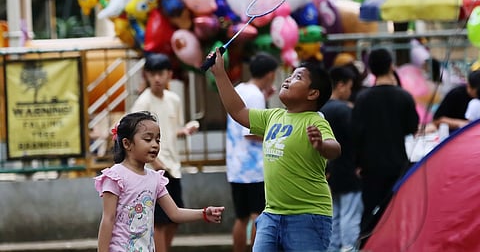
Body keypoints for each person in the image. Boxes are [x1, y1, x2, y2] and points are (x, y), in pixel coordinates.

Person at [209, 47, 341, 251]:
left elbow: (335, 149)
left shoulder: (315, 120)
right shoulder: (272, 116)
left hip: (308, 216)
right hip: (271, 215)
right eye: (290, 75)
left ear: (313, 93)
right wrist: (220, 74)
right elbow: (237, 111)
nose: (288, 79)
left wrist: (321, 145)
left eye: (298, 77)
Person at [95, 111, 224, 252]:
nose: (155, 145)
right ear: (127, 143)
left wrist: (204, 213)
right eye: (148, 139)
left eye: (158, 140)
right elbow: (108, 219)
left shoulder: (155, 178)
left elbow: (175, 213)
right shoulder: (116, 176)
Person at [130, 53, 199, 252]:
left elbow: (171, 129)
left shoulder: (174, 100)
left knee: (174, 218)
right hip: (155, 169)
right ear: (146, 76)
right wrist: (154, 163)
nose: (157, 78)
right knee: (160, 221)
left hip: (173, 167)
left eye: (161, 73)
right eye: (152, 74)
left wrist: (185, 130)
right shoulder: (143, 103)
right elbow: (133, 135)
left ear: (169, 74)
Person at [351, 48, 419, 245]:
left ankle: (366, 246)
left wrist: (357, 163)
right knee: (397, 210)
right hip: (398, 164)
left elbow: (356, 134)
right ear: (391, 66)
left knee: (370, 212)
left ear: (371, 70)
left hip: (370, 166)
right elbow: (412, 128)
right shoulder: (404, 96)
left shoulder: (362, 99)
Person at [226, 52, 279, 252]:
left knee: (241, 218)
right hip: (254, 168)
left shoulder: (240, 89)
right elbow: (252, 133)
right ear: (270, 74)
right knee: (259, 216)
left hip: (236, 166)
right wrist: (278, 136)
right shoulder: (255, 95)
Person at [322, 66, 363, 252]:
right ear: (340, 86)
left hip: (328, 173)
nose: (349, 91)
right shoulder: (344, 111)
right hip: (348, 171)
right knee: (350, 216)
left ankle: (333, 248)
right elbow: (358, 139)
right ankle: (349, 249)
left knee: (335, 216)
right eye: (349, 87)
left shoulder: (320, 109)